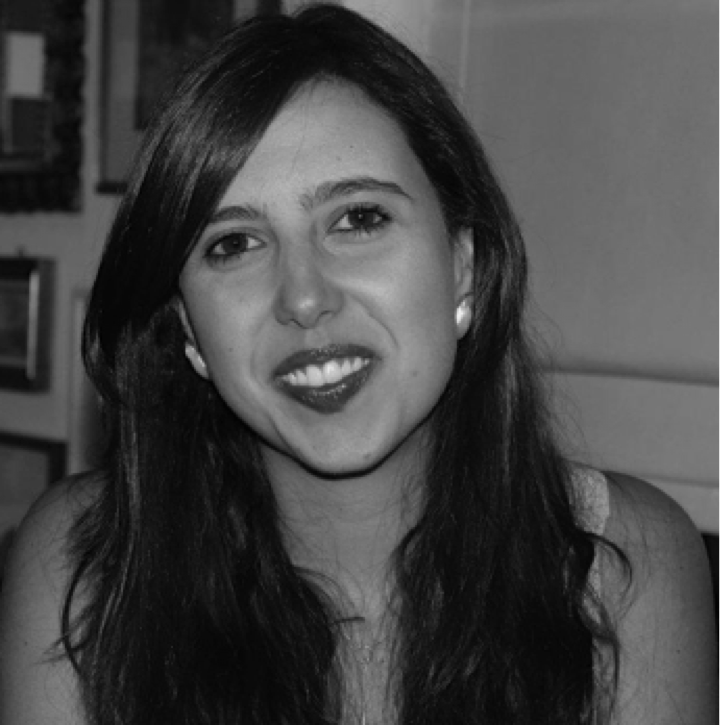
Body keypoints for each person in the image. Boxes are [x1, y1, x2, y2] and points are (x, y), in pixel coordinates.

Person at [0, 4, 716, 724]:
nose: (304, 298)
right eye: (234, 244)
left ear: (462, 265)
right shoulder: (82, 571)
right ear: (188, 327)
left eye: (359, 218)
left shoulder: (626, 563)